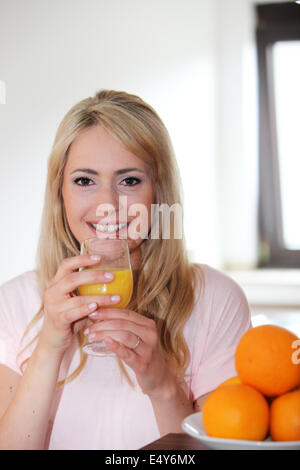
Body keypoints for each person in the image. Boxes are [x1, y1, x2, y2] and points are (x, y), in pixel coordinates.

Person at [0, 90, 251, 450]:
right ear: (60, 193)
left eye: (129, 181)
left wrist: (163, 384)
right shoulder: (13, 303)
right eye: (84, 181)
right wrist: (48, 349)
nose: (106, 205)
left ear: (158, 191)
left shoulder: (215, 299)